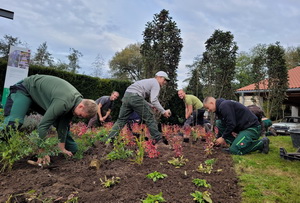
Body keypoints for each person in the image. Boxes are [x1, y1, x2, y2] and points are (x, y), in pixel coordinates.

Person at [2, 74, 97, 165]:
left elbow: (63, 125)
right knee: (13, 123)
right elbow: (43, 126)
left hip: (39, 97)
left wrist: (62, 148)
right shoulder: (63, 102)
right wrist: (42, 152)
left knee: (62, 126)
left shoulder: (75, 103)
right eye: (80, 115)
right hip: (25, 89)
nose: (78, 117)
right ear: (81, 106)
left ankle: (72, 149)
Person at [106, 71, 172, 145]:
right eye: (164, 80)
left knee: (121, 120)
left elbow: (139, 98)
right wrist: (163, 111)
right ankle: (158, 140)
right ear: (159, 77)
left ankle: (109, 140)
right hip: (135, 97)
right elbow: (153, 100)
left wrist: (151, 106)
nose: (165, 82)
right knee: (149, 117)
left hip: (127, 96)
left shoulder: (148, 81)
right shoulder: (156, 83)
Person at [203, 96, 270, 155]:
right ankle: (235, 143)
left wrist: (223, 137)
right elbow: (223, 126)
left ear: (211, 103)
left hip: (252, 128)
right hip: (243, 128)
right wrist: (216, 141)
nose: (208, 110)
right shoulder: (220, 109)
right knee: (219, 123)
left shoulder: (224, 106)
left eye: (208, 108)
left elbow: (231, 124)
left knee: (234, 150)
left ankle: (262, 143)